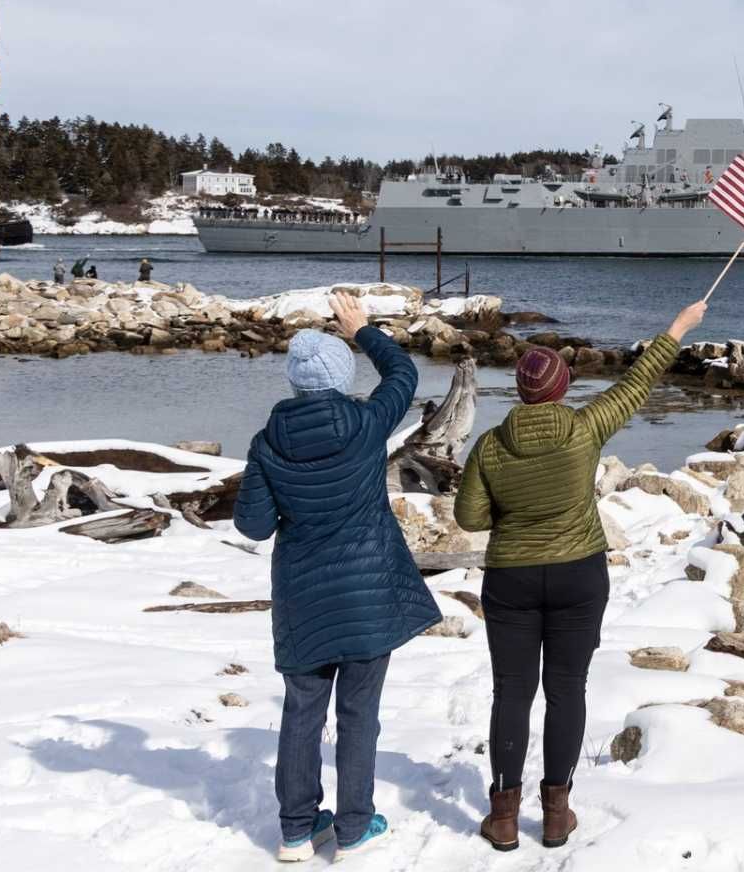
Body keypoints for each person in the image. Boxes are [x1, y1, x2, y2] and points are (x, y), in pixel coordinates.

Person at [455, 298, 710, 852]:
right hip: (578, 576)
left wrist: (514, 514)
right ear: (562, 389)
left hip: (511, 581)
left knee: (511, 692)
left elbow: (469, 517)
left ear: (522, 393)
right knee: (567, 689)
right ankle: (555, 812)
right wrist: (677, 327)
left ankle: (502, 818)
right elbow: (636, 385)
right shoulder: (583, 428)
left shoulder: (491, 446)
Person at [232, 292, 439, 863]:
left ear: (294, 382)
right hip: (369, 591)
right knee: (359, 713)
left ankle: (297, 830)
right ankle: (352, 827)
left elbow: (251, 525)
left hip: (303, 595)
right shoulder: (368, 422)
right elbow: (404, 372)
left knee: (302, 709)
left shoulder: (266, 442)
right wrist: (363, 330)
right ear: (341, 375)